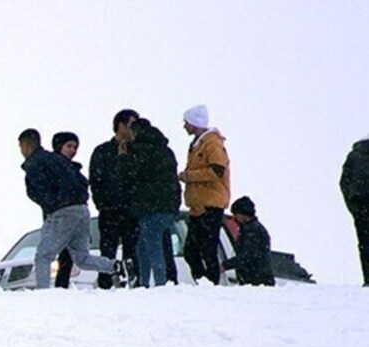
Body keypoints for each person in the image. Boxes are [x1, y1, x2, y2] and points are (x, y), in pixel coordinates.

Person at [18, 129, 115, 289]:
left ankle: (43, 293)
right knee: (82, 258)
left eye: (21, 146)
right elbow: (82, 181)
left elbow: (40, 191)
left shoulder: (35, 163)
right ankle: (114, 266)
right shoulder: (57, 159)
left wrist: (53, 206)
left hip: (62, 211)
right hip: (82, 210)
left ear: (26, 145)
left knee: (43, 256)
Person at [117, 118, 181, 288]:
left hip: (148, 206)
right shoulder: (165, 150)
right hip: (167, 205)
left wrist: (123, 157)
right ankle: (146, 283)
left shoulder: (139, 149)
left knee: (151, 247)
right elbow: (173, 180)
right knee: (145, 246)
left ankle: (156, 284)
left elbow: (128, 173)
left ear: (135, 131)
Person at [178, 105, 231, 285]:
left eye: (187, 122)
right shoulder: (199, 144)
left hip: (210, 204)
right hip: (199, 205)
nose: (184, 126)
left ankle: (210, 283)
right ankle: (204, 282)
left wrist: (189, 176)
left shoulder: (212, 143)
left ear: (195, 123)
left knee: (206, 249)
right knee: (192, 250)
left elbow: (217, 170)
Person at [89, 110, 140, 289]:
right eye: (131, 124)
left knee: (132, 252)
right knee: (107, 252)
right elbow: (95, 180)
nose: (135, 129)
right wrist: (103, 204)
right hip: (110, 210)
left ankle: (133, 284)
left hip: (132, 210)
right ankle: (105, 285)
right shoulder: (103, 151)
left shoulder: (138, 150)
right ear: (120, 125)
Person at [49, 132, 81, 289]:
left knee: (69, 255)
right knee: (63, 255)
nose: (73, 150)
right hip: (61, 215)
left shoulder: (73, 169)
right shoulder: (54, 167)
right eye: (69, 146)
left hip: (74, 216)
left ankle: (62, 286)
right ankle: (60, 286)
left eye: (75, 147)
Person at [221, 196, 275, 286]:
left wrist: (225, 265)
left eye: (236, 214)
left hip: (256, 282)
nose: (234, 218)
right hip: (258, 279)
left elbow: (247, 256)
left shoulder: (252, 230)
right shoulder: (254, 229)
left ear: (244, 215)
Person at [339, 133, 369, 285]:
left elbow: (344, 182)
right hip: (361, 204)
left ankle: (368, 279)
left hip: (360, 205)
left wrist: (353, 205)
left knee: (365, 243)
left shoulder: (354, 155)